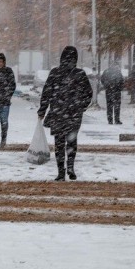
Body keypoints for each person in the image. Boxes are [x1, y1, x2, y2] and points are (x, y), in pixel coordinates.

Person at [37, 46, 93, 181]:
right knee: (72, 141)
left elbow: (46, 93)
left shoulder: (55, 73)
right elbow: (89, 93)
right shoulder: (80, 74)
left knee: (59, 143)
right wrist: (81, 107)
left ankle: (61, 171)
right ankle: (71, 167)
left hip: (58, 113)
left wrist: (42, 110)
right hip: (74, 114)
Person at [101, 60, 125, 124]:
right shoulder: (118, 72)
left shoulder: (106, 71)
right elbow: (122, 81)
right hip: (117, 91)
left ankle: (110, 120)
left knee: (109, 106)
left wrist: (106, 86)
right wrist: (120, 88)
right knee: (117, 106)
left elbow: (102, 80)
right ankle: (117, 120)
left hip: (108, 91)